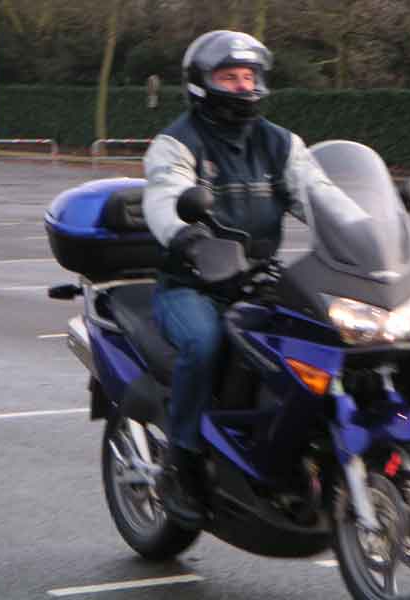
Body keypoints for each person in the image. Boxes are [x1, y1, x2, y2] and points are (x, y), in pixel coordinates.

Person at [142, 30, 345, 529]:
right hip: (192, 284)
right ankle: (183, 460)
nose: (242, 86)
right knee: (203, 344)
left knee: (317, 340)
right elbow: (165, 196)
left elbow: (320, 195)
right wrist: (188, 238)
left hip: (258, 279)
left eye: (248, 76)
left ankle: (293, 449)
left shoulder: (279, 143)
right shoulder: (177, 142)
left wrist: (364, 228)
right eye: (229, 76)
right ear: (201, 83)